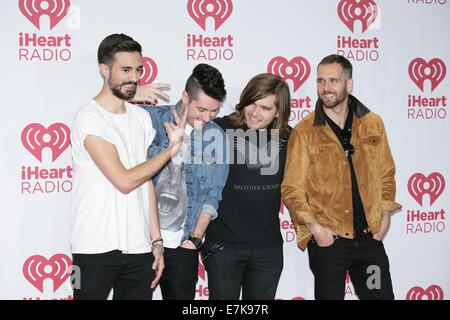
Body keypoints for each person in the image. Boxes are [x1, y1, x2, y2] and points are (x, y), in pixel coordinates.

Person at [70, 33, 186, 300]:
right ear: (104, 69)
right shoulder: (88, 118)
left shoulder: (141, 118)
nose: (134, 77)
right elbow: (124, 180)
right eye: (125, 70)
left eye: (138, 70)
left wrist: (156, 241)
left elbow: (146, 180)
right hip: (92, 248)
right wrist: (170, 151)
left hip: (139, 248)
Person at [281, 54, 402, 300]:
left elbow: (386, 173)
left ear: (349, 84)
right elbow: (292, 188)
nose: (326, 88)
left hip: (369, 241)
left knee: (379, 296)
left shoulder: (372, 124)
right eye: (321, 81)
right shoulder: (304, 132)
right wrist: (316, 230)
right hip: (330, 246)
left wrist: (385, 214)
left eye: (333, 81)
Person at [141, 63, 229, 300]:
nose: (207, 117)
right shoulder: (148, 120)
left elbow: (214, 193)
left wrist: (195, 239)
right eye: (201, 109)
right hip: (141, 243)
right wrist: (133, 96)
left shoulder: (216, 137)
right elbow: (102, 114)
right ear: (185, 96)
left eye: (214, 111)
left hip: (183, 247)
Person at [203, 73, 291, 300]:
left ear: (278, 112)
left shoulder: (289, 139)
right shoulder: (218, 129)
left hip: (267, 251)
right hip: (223, 247)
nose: (254, 112)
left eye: (265, 107)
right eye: (252, 102)